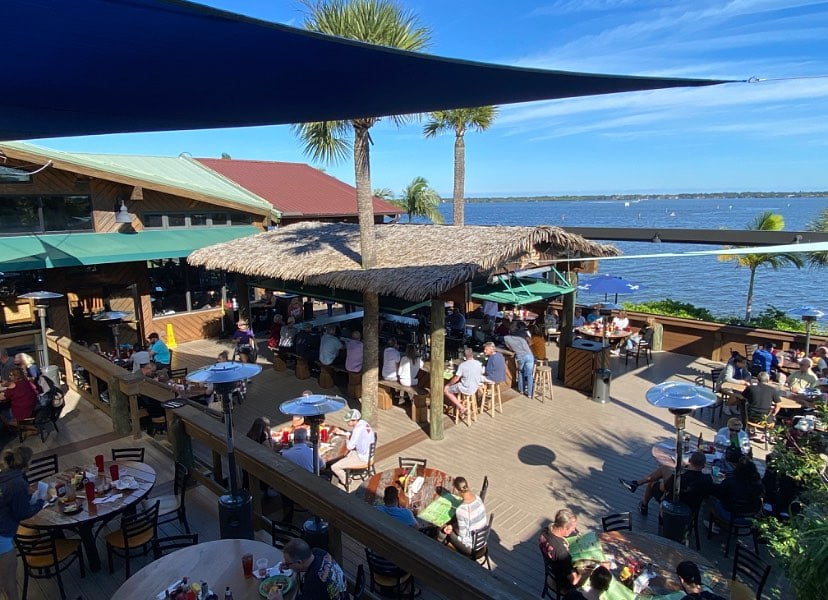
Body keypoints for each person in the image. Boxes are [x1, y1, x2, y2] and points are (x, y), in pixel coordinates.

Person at [1, 447, 47, 600]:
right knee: (9, 580)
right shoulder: (18, 483)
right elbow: (23, 513)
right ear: (27, 464)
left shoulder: (5, 475)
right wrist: (40, 501)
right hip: (3, 535)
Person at [619, 451, 713, 515]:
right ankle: (636, 483)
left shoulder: (679, 478)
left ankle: (643, 504)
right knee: (664, 469)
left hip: (674, 503)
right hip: (692, 508)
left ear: (689, 462)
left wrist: (659, 484)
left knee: (653, 483)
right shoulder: (707, 479)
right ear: (704, 465)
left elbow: (664, 488)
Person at [270, 537, 347, 600]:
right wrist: (289, 565)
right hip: (343, 594)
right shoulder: (318, 552)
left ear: (299, 562)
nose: (286, 564)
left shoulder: (313, 581)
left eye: (288, 562)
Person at [439, 476, 486, 555]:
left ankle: (439, 552)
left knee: (442, 531)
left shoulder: (462, 510)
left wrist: (450, 528)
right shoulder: (478, 498)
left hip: (470, 547)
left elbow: (462, 535)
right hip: (482, 541)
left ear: (457, 491)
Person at [330, 409, 374, 488]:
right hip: (367, 453)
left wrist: (347, 438)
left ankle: (347, 480)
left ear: (354, 420)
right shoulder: (363, 423)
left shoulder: (357, 430)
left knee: (334, 467)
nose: (347, 423)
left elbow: (349, 447)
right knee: (344, 455)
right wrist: (343, 433)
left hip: (361, 458)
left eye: (348, 421)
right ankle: (345, 467)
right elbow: (354, 433)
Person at [538, 509, 581, 591]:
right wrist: (586, 572)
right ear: (564, 528)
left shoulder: (545, 531)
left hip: (553, 567)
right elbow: (574, 580)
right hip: (563, 578)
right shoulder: (561, 552)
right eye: (573, 528)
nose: (574, 530)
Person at [711, 458, 764, 523]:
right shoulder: (757, 484)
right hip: (750, 517)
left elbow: (719, 494)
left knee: (711, 498)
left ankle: (715, 524)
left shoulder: (732, 481)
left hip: (731, 515)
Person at [444, 347, 484, 414]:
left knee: (446, 390)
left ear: (464, 356)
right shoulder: (478, 363)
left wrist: (448, 385)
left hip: (466, 388)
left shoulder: (462, 365)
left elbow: (456, 378)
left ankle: (462, 407)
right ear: (472, 354)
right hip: (475, 386)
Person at [504, 325, 535, 398]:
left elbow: (509, 347)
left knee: (521, 372)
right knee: (529, 375)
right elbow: (530, 343)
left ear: (509, 331)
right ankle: (530, 394)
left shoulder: (506, 338)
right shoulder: (522, 337)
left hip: (520, 356)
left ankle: (521, 390)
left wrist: (515, 349)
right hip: (529, 355)